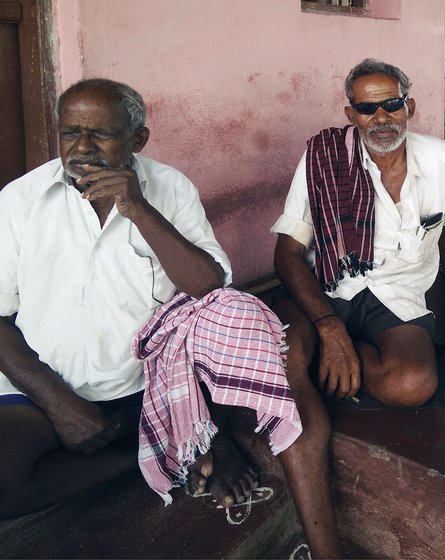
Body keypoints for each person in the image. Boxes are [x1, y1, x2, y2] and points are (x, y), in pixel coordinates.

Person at [0, 79, 342, 557]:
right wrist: (59, 403)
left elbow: (207, 285)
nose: (81, 148)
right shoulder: (21, 201)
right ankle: (160, 453)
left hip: (147, 384)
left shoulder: (169, 188)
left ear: (137, 140)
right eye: (70, 132)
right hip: (42, 386)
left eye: (100, 135)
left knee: (233, 315)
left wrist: (138, 208)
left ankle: (177, 439)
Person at [271, 58, 445, 409]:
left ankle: (332, 358)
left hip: (399, 290)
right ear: (351, 115)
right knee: (280, 359)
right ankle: (333, 347)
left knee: (412, 384)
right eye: (367, 108)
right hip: (329, 285)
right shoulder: (323, 158)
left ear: (408, 107)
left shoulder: (443, 161)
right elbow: (287, 253)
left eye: (392, 104)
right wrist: (329, 326)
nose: (381, 118)